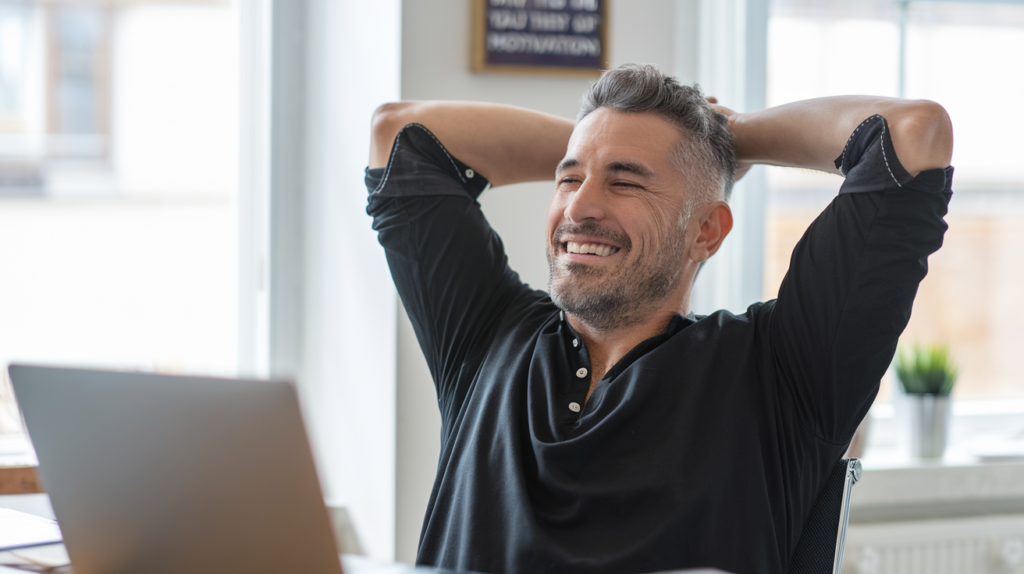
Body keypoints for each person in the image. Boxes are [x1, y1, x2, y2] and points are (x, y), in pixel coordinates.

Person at [365, 64, 953, 574]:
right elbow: (400, 137)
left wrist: (725, 140)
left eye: (625, 182)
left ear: (706, 230)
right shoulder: (485, 335)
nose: (579, 207)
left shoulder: (785, 370)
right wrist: (609, 146)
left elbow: (910, 136)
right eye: (568, 178)